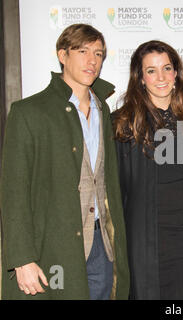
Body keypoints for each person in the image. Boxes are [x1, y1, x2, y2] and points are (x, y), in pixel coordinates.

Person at [0, 24, 129, 299]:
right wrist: (21, 258)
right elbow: (14, 192)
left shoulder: (103, 109)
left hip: (102, 248)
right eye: (82, 51)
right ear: (62, 55)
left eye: (98, 53)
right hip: (53, 249)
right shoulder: (28, 112)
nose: (92, 60)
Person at [112, 40, 183, 300]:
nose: (161, 77)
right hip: (143, 240)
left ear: (176, 73)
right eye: (151, 71)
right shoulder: (123, 123)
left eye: (166, 68)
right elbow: (116, 193)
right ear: (140, 78)